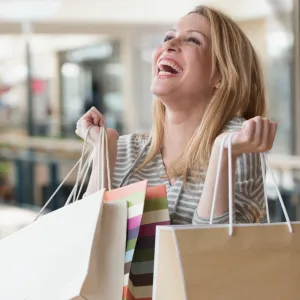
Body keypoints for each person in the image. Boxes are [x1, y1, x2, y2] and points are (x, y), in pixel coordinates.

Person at [75, 5, 277, 225]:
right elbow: (91, 244)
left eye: (193, 40)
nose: (168, 45)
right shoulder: (123, 150)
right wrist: (104, 149)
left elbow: (213, 251)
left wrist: (223, 153)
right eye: (168, 36)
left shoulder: (237, 145)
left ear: (220, 74)